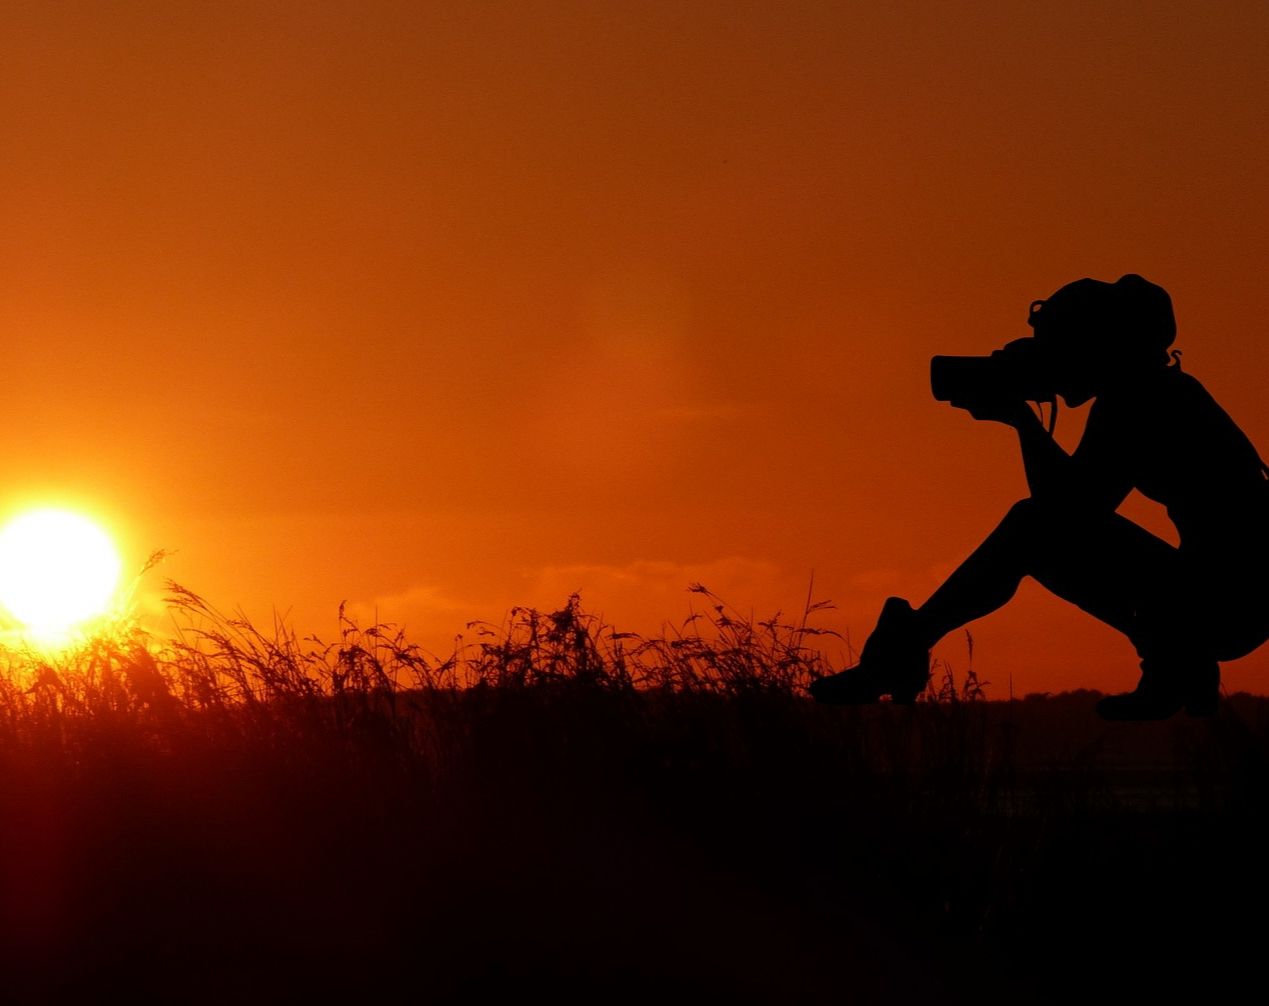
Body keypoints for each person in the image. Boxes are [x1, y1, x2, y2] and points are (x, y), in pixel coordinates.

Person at [811, 274, 1269, 719]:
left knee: (1031, 526)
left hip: (1230, 602)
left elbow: (1071, 511)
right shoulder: (1159, 390)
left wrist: (1022, 421)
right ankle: (1179, 664)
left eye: (1062, 346)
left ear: (1099, 348)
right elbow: (1072, 510)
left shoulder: (1140, 401)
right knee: (1035, 527)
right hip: (1228, 596)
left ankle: (1176, 664)